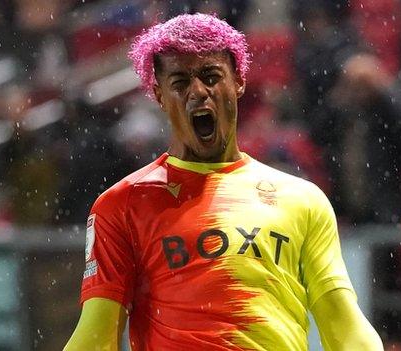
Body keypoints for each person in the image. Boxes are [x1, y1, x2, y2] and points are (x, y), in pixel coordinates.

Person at [64, 13, 383, 351]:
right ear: (158, 94)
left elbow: (344, 325)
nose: (198, 92)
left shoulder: (302, 199)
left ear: (239, 81)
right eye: (180, 82)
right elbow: (95, 338)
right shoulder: (123, 205)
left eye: (211, 76)